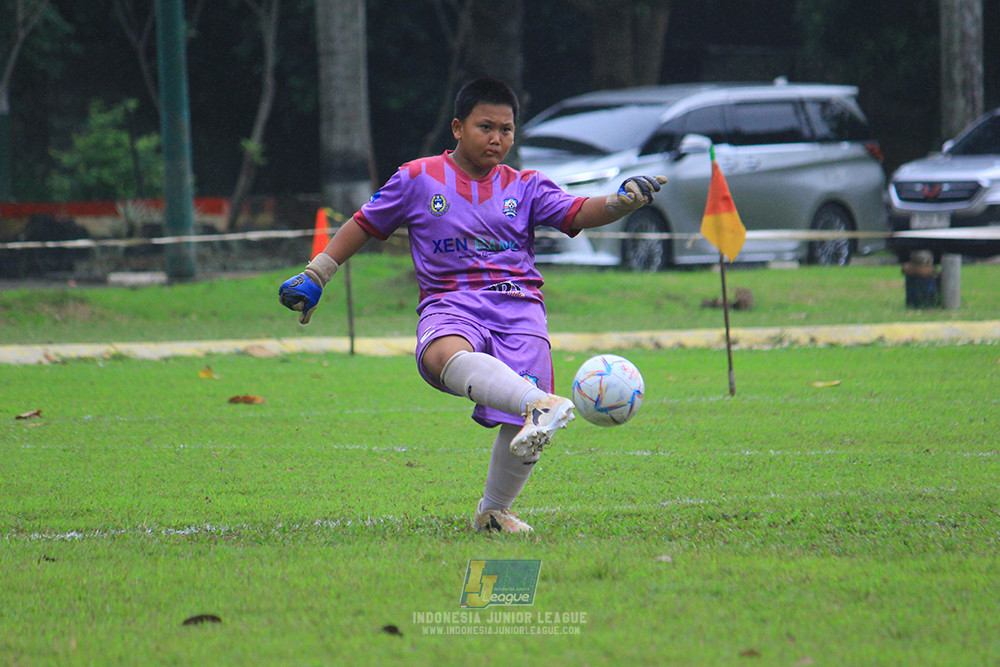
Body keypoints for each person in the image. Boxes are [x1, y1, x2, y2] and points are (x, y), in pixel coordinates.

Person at [279, 77, 666, 534]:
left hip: (519, 309)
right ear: (458, 128)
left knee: (522, 423)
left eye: (507, 129)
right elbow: (366, 223)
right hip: (450, 300)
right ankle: (538, 403)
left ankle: (494, 511)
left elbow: (577, 211)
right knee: (442, 354)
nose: (497, 138)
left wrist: (621, 202)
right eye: (486, 127)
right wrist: (318, 273)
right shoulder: (419, 177)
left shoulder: (527, 185)